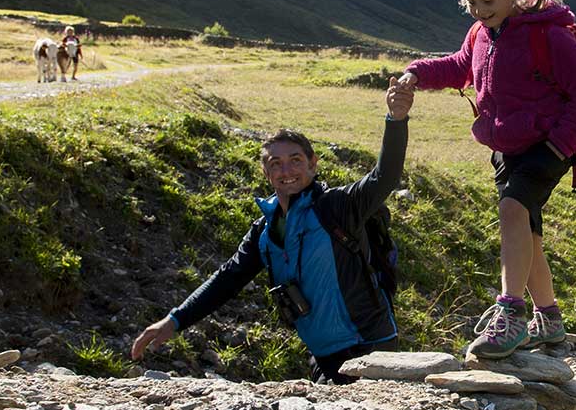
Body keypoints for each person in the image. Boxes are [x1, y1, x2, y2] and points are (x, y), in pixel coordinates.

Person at [397, 0, 576, 359]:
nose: (478, 9)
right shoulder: (480, 33)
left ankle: (510, 314)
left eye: (488, 0)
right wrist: (416, 72)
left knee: (512, 211)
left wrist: (558, 145)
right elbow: (459, 66)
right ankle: (548, 318)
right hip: (505, 146)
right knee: (526, 232)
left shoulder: (549, 36)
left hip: (546, 145)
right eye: (470, 1)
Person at [129, 81, 415, 383]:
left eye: (295, 160)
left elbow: (385, 176)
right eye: (275, 163)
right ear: (266, 173)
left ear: (313, 164)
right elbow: (227, 280)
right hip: (323, 355)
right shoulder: (265, 233)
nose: (286, 170)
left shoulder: (338, 207)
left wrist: (396, 120)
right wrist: (174, 320)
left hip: (368, 347)